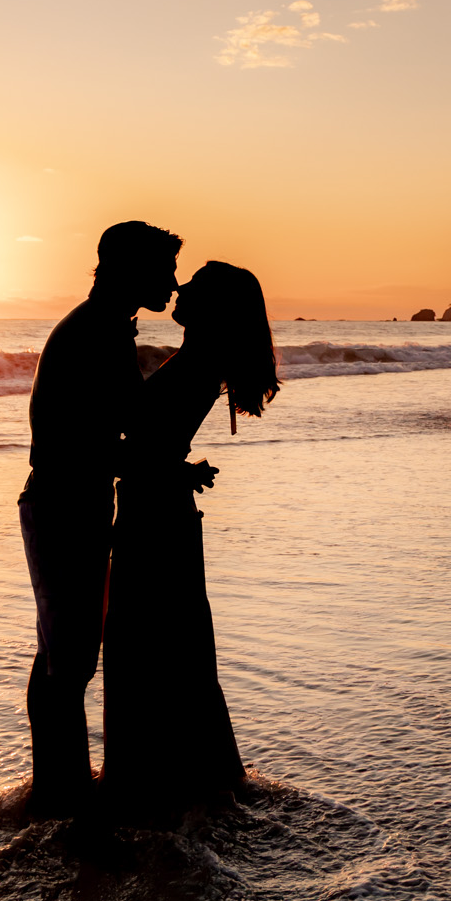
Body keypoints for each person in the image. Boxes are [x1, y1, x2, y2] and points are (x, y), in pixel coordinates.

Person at [100, 260, 280, 821]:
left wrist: (169, 468)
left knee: (145, 647)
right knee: (173, 649)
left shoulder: (199, 360)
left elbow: (149, 443)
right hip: (160, 509)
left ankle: (154, 787)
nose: (181, 288)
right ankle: (196, 779)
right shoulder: (197, 359)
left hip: (156, 515)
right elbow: (157, 440)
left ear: (215, 306)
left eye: (195, 287)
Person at [17, 220, 181, 819]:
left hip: (66, 502)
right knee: (72, 659)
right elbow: (100, 434)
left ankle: (55, 788)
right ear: (132, 270)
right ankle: (63, 799)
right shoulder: (98, 331)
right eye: (163, 268)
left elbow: (108, 427)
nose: (172, 281)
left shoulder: (98, 326)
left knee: (62, 655)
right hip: (64, 505)